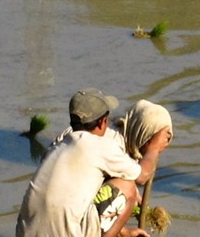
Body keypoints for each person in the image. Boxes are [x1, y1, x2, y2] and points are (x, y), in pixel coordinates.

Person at [15, 89, 147, 237]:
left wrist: (125, 232)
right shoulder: (101, 146)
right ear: (103, 122)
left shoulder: (58, 145)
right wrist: (154, 146)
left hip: (25, 232)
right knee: (127, 187)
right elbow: (142, 176)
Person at [116, 100, 173, 229]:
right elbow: (140, 177)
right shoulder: (113, 147)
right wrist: (153, 149)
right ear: (143, 134)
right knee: (126, 190)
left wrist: (144, 211)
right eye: (152, 140)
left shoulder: (128, 139)